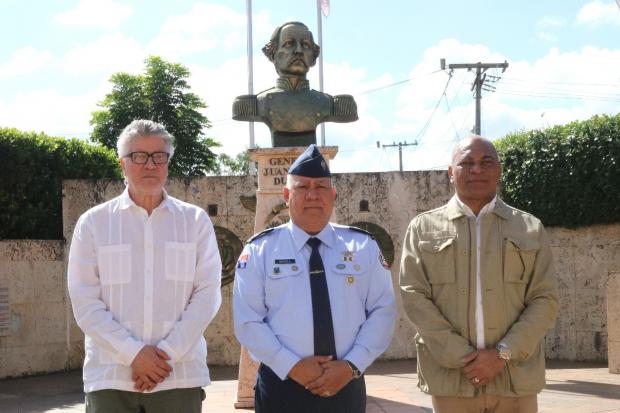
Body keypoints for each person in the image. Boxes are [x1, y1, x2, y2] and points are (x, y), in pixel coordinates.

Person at [68, 119, 222, 413]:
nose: (150, 164)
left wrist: (164, 355)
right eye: (138, 156)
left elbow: (207, 296)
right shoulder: (94, 223)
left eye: (159, 156)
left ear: (167, 162)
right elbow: (85, 301)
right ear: (122, 164)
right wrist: (135, 355)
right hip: (111, 379)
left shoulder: (195, 222)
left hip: (178, 378)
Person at [399, 135, 559, 413]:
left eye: (486, 162)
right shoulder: (422, 228)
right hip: (452, 380)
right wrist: (463, 357)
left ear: (498, 170)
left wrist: (501, 355)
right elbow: (414, 297)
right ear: (451, 173)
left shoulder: (529, 228)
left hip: (514, 379)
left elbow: (545, 299)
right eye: (466, 162)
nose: (476, 169)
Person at [233, 144, 396, 412]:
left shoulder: (362, 247)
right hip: (281, 386)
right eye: (302, 187)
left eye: (320, 187)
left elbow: (382, 311)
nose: (312, 195)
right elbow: (248, 320)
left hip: (345, 382)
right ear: (286, 195)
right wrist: (292, 366)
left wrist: (351, 365)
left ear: (333, 195)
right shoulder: (260, 250)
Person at [232, 21, 357, 147]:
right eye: (288, 44)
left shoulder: (335, 105)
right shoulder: (253, 105)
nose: (298, 50)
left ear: (313, 58)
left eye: (306, 45)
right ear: (272, 54)